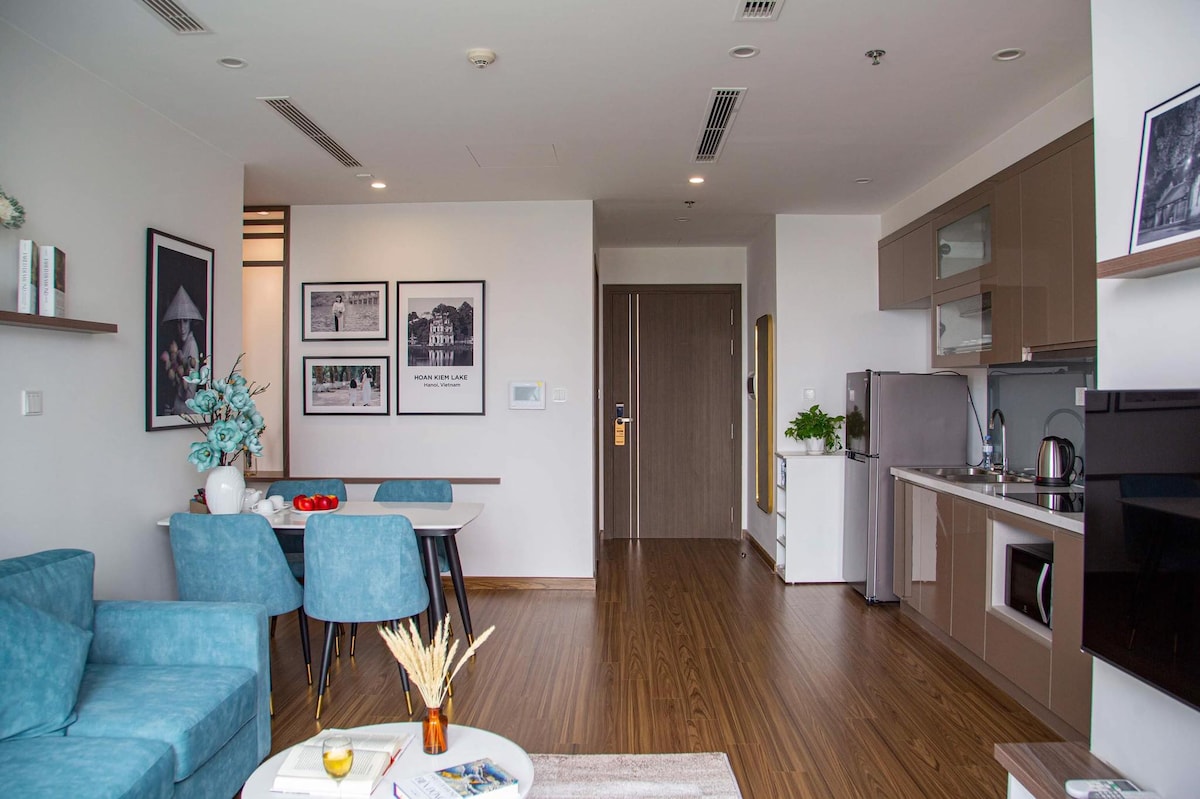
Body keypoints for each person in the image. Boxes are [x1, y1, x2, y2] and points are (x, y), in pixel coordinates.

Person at [160, 286, 203, 415]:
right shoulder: (181, 347)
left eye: (185, 321)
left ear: (190, 322)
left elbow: (188, 393)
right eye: (178, 323)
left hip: (185, 409)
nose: (182, 327)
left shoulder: (191, 346)